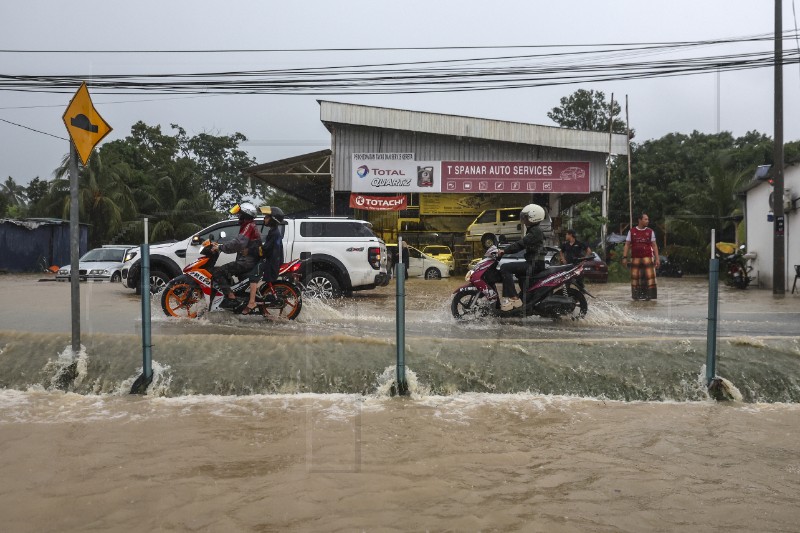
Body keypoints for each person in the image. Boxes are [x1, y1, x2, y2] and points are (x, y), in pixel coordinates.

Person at [212, 202, 261, 309]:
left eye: (240, 214)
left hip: (246, 262)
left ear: (245, 215)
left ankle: (231, 298)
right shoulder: (249, 226)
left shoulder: (249, 226)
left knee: (218, 272)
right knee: (226, 271)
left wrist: (220, 248)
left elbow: (238, 243)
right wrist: (221, 245)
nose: (238, 216)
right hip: (248, 260)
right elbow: (238, 242)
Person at [497, 203, 546, 312]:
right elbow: (520, 245)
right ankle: (524, 298)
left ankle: (514, 298)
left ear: (534, 217)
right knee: (518, 273)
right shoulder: (534, 230)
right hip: (534, 262)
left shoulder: (535, 231)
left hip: (535, 264)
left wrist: (504, 251)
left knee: (505, 267)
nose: (523, 219)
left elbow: (520, 244)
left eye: (526, 217)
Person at [243, 206, 286, 314]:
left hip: (270, 261)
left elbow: (266, 249)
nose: (264, 219)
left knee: (253, 276)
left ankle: (252, 302)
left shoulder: (274, 233)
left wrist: (250, 250)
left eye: (266, 217)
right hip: (272, 259)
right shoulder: (274, 231)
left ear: (273, 219)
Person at [621, 212, 661, 300]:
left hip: (648, 257)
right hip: (635, 258)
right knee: (636, 278)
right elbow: (627, 245)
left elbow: (654, 245)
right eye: (645, 219)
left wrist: (657, 259)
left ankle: (649, 297)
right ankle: (636, 297)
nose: (647, 221)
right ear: (640, 220)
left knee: (649, 277)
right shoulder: (631, 231)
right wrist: (624, 257)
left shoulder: (650, 232)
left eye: (648, 219)